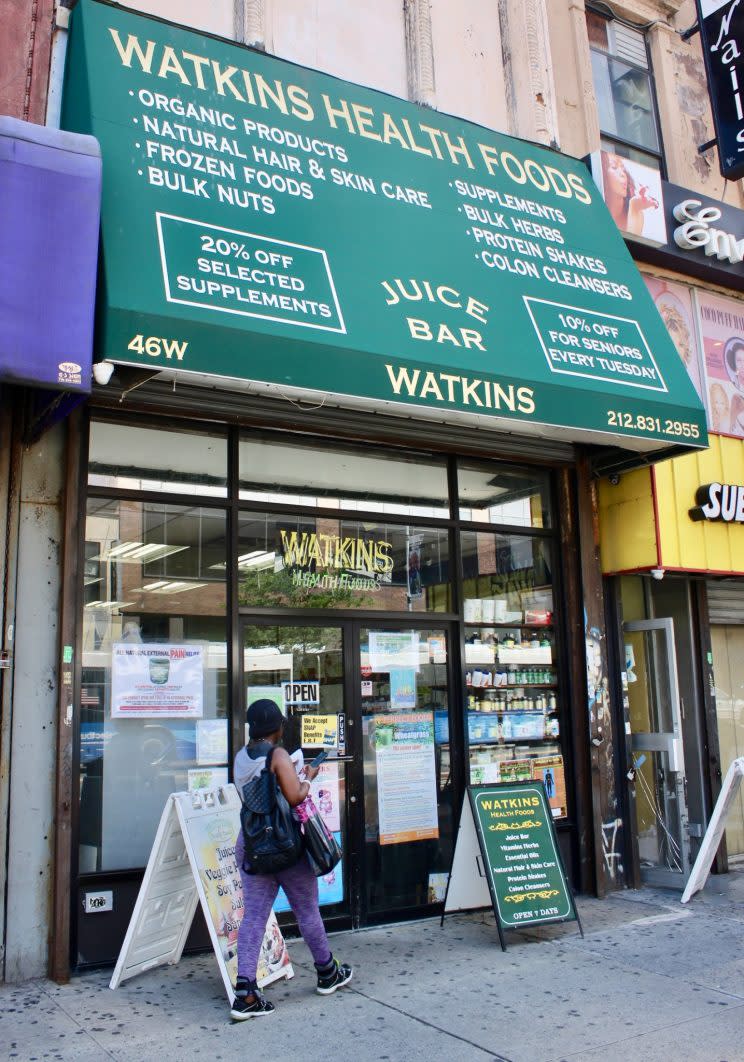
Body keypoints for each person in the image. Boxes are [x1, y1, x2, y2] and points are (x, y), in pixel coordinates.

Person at [231, 699, 352, 1020]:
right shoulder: (278, 755)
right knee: (307, 910)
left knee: (254, 917)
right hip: (285, 844)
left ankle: (245, 992)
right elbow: (295, 795)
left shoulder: (241, 758)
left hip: (254, 844)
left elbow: (260, 795)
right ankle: (327, 972)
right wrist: (308, 776)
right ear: (277, 727)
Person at [601, 151, 658, 237]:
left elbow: (631, 246)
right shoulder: (596, 210)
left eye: (623, 169)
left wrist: (634, 209)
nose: (623, 174)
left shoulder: (636, 209)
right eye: (614, 167)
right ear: (603, 172)